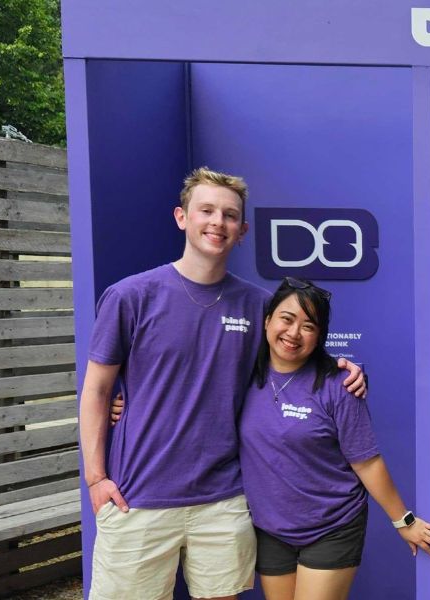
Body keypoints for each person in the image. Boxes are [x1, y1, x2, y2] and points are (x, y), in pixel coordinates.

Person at [79, 167, 365, 600]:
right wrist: (96, 477)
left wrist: (344, 367)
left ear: (243, 230)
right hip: (136, 496)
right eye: (206, 211)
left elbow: (297, 357)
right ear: (182, 217)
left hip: (223, 500)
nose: (218, 222)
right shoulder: (131, 297)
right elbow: (97, 392)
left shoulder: (257, 306)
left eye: (229, 215)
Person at [240, 277, 430, 599]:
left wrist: (404, 521)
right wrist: (126, 405)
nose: (293, 333)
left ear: (319, 336)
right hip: (271, 530)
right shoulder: (241, 375)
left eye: (308, 326)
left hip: (331, 526)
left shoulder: (339, 384)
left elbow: (367, 461)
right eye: (286, 319)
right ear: (267, 321)